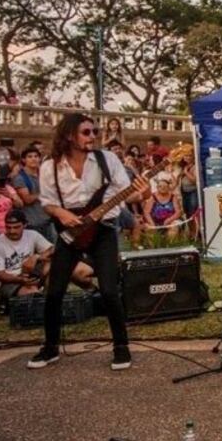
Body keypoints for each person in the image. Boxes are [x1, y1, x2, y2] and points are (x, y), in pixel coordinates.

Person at [29, 113, 149, 371]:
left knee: (108, 290)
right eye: (86, 132)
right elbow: (47, 203)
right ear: (69, 135)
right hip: (70, 232)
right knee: (55, 291)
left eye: (94, 131)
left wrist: (144, 190)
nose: (93, 136)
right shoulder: (50, 166)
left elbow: (129, 191)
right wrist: (63, 214)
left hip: (104, 229)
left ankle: (121, 347)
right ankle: (50, 348)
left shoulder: (107, 159)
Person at [0, 209, 55, 313]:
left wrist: (37, 257)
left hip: (27, 275)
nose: (12, 231)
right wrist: (20, 280)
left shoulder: (32, 235)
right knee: (33, 295)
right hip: (5, 283)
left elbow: (52, 250)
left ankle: (49, 298)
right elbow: (1, 275)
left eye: (16, 227)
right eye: (8, 227)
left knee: (52, 264)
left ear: (25, 225)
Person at [13, 146, 57, 243]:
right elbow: (27, 199)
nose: (34, 159)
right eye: (30, 156)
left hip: (49, 221)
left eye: (36, 156)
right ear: (24, 160)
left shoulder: (44, 174)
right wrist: (45, 192)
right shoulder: (20, 178)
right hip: (33, 223)